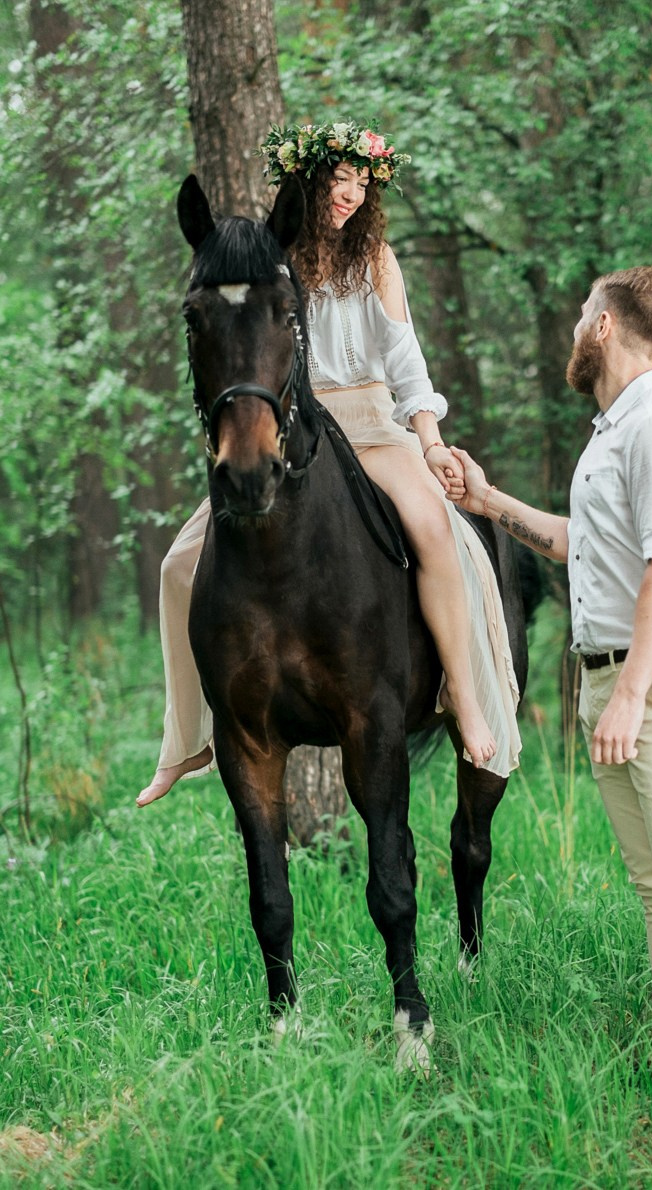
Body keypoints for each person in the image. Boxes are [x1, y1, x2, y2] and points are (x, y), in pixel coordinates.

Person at [137, 120, 521, 807]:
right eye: (338, 180)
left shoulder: (375, 259)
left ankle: (463, 693)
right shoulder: (274, 262)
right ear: (311, 183)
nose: (348, 194)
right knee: (176, 566)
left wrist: (428, 440)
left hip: (374, 427)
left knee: (434, 531)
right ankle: (186, 737)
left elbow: (405, 361)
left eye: (360, 183)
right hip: (299, 431)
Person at [450, 266, 652, 1121]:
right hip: (612, 680)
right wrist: (485, 501)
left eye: (583, 313)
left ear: (605, 328)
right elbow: (580, 544)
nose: (573, 328)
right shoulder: (615, 432)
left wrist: (631, 693)